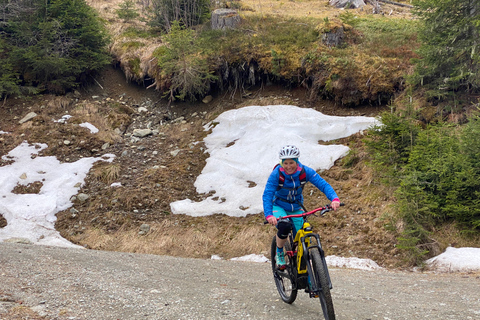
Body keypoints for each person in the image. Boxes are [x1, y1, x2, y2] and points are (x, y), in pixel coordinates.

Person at [263, 145, 340, 270]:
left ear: (297, 161)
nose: (288, 166)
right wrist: (269, 214)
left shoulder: (305, 172)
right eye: (285, 163)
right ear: (281, 163)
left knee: (303, 235)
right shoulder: (276, 174)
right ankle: (279, 252)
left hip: (296, 206)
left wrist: (334, 199)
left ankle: (305, 271)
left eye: (291, 162)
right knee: (284, 226)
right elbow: (267, 194)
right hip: (278, 206)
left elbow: (323, 184)